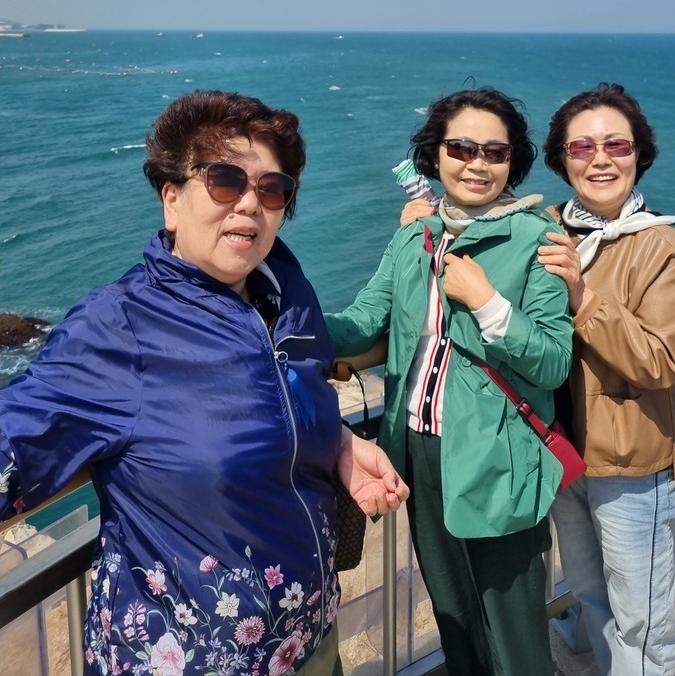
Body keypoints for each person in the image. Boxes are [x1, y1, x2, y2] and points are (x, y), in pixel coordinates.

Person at [0, 90, 408, 676]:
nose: (251, 202)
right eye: (225, 180)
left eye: (272, 189)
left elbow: (280, 396)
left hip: (311, 642)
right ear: (172, 199)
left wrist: (334, 441)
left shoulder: (284, 298)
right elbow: (17, 440)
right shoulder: (120, 327)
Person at [326, 87, 573, 676]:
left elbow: (553, 362)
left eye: (495, 152)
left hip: (496, 457)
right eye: (461, 148)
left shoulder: (537, 240)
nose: (477, 164)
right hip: (419, 450)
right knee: (454, 614)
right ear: (434, 156)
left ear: (513, 161)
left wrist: (488, 303)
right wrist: (277, 311)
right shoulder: (415, 237)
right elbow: (363, 322)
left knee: (514, 633)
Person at [537, 83, 675, 676]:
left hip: (633, 465)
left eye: (617, 145)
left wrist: (583, 297)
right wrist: (426, 217)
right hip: (564, 453)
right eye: (582, 147)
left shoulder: (663, 247)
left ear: (639, 155)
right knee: (589, 593)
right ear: (562, 160)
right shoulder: (548, 229)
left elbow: (659, 361)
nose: (600, 159)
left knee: (644, 621)